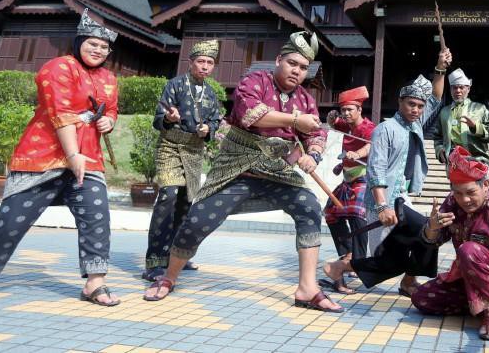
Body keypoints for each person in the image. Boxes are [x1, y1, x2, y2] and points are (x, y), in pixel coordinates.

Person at [143, 31, 342, 313]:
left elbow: (316, 133)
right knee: (197, 221)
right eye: (292, 64)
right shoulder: (255, 81)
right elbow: (251, 114)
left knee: (309, 206)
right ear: (278, 61)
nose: (297, 71)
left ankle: (307, 288)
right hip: (237, 166)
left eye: (302, 67)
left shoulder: (306, 99)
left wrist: (313, 154)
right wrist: (296, 120)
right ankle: (169, 277)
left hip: (277, 170)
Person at [0, 9, 120, 306]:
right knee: (11, 221)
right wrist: (72, 154)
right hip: (43, 156)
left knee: (97, 218)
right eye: (92, 43)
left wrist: (109, 121)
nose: (98, 50)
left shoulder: (109, 78)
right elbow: (61, 113)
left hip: (88, 159)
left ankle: (95, 283)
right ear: (79, 41)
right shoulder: (58, 67)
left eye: (104, 46)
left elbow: (109, 110)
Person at [322, 48, 452, 298]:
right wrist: (382, 207)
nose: (416, 110)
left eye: (419, 106)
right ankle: (338, 266)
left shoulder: (414, 123)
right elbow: (376, 169)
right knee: (389, 260)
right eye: (411, 104)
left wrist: (440, 67)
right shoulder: (385, 129)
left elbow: (435, 96)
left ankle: (408, 280)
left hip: (402, 197)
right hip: (382, 202)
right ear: (400, 102)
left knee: (429, 234)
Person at [411, 148, 489, 341]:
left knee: (468, 249)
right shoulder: (452, 202)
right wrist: (432, 227)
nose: (464, 200)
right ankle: (478, 304)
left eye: (470, 192)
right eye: (458, 193)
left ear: (486, 184)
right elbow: (433, 240)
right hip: (468, 278)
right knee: (421, 298)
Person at [142, 40, 223, 281]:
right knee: (168, 195)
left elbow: (216, 121)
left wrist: (207, 129)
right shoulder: (174, 85)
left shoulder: (211, 92)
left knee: (186, 203)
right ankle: (155, 261)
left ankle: (177, 257)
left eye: (209, 63)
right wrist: (170, 118)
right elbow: (158, 119)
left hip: (194, 151)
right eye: (201, 61)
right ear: (191, 63)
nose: (205, 67)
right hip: (170, 146)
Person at [321, 85, 376, 294]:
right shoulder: (346, 126)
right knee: (330, 212)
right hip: (347, 180)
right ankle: (347, 255)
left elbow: (369, 146)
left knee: (356, 215)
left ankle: (358, 262)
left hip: (363, 179)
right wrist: (331, 116)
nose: (346, 114)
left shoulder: (367, 127)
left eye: (349, 110)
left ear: (360, 110)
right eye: (344, 110)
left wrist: (357, 154)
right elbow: (331, 123)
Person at [432, 68, 489, 166]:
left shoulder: (480, 109)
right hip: (453, 164)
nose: (458, 91)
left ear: (468, 89)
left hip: (477, 163)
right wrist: (440, 150)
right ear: (450, 90)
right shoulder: (444, 112)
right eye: (454, 88)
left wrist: (476, 127)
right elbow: (437, 136)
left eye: (461, 87)